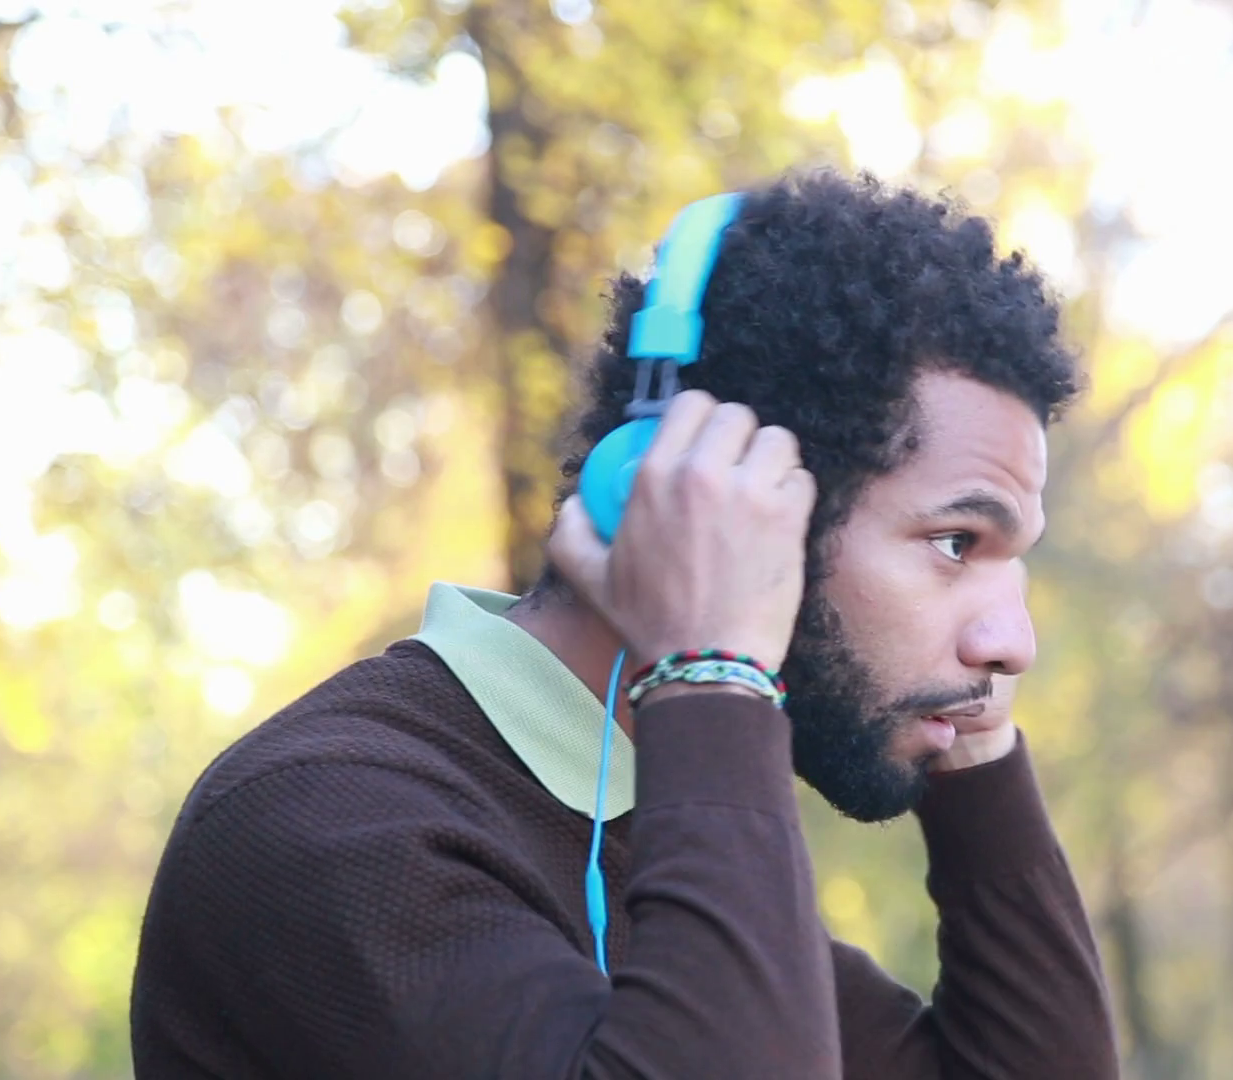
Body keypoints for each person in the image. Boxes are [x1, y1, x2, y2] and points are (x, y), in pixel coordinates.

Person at [129, 169, 1120, 1078]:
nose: (1014, 642)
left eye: (1011, 560)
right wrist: (713, 670)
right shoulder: (333, 823)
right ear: (713, 496)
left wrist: (973, 742)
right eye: (956, 542)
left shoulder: (659, 834)